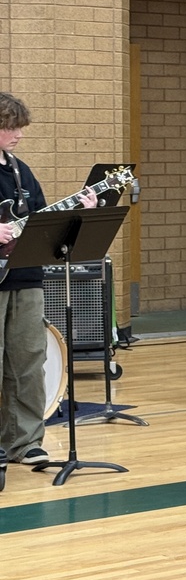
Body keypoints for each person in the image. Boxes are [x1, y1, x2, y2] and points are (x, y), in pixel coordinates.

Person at [0, 93, 97, 483]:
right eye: (11, 127)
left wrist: (77, 214)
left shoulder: (20, 172)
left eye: (20, 127)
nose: (19, 134)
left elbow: (39, 221)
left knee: (28, 361)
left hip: (26, 278)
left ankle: (25, 443)